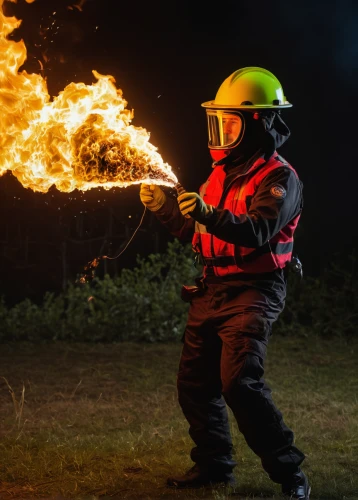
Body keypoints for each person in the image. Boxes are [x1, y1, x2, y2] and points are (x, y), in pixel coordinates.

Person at [140, 66, 310, 499]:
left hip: (254, 293)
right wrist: (166, 209)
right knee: (195, 385)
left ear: (258, 124)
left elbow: (254, 232)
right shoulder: (217, 177)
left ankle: (291, 475)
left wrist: (205, 213)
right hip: (212, 289)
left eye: (231, 122)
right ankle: (215, 467)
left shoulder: (279, 178)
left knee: (239, 384)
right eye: (218, 121)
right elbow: (199, 235)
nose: (220, 131)